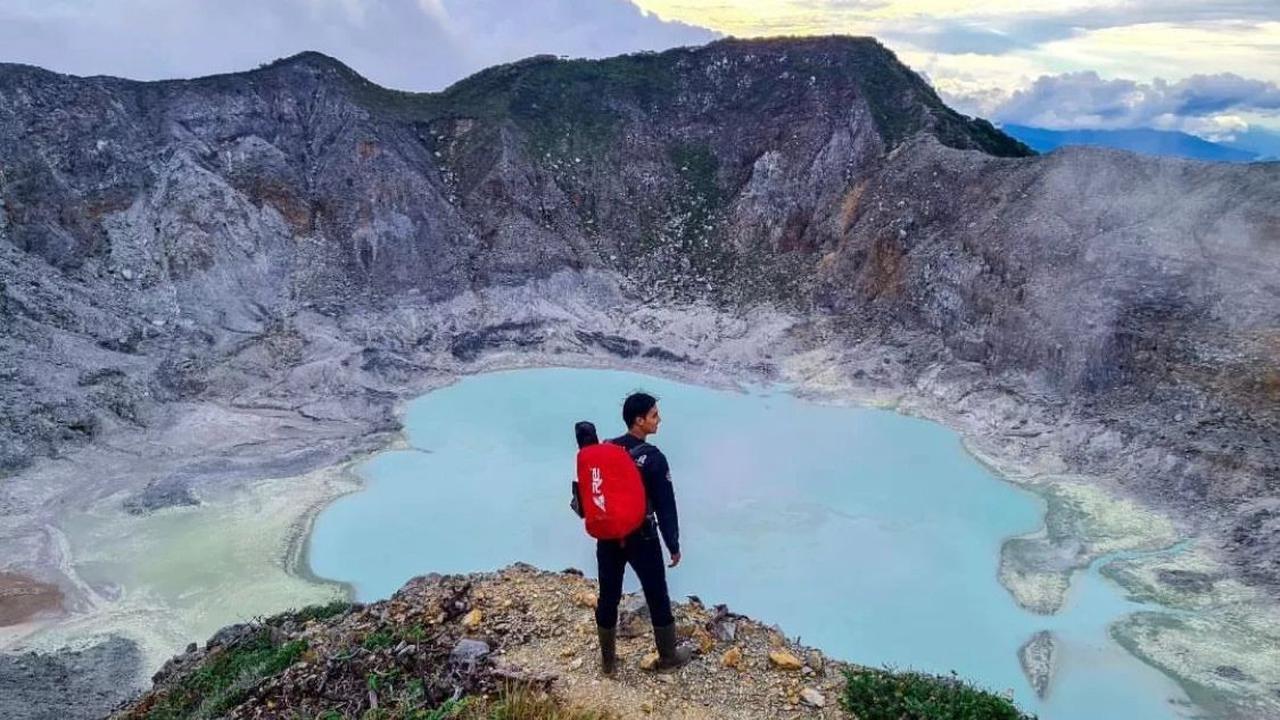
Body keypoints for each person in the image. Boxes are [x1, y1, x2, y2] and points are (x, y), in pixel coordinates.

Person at [574, 392, 690, 675]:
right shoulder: (653, 458)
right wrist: (673, 544)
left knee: (609, 595)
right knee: (656, 595)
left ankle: (608, 663)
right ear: (639, 421)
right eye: (653, 415)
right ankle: (668, 657)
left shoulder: (606, 449)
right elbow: (666, 506)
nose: (659, 419)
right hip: (642, 537)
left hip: (608, 537)